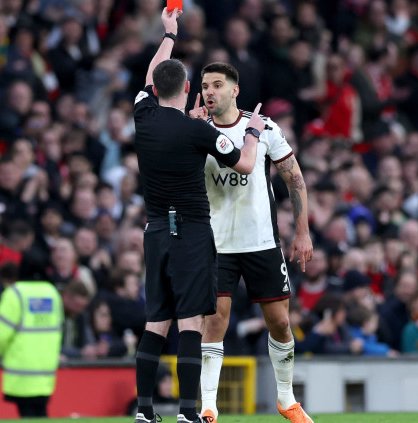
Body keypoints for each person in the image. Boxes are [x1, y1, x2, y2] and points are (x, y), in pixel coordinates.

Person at [132, 9, 261, 423]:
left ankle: (144, 411)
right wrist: (253, 132)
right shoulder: (198, 130)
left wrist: (169, 34)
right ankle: (188, 413)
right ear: (188, 88)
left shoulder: (143, 116)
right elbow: (244, 165)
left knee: (156, 323)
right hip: (189, 232)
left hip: (155, 231)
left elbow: (152, 75)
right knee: (190, 322)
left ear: (155, 89)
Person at [189, 61, 314, 423]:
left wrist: (302, 231)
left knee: (280, 323)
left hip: (261, 241)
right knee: (215, 321)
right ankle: (208, 406)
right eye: (205, 86)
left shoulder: (264, 128)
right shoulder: (195, 131)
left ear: (235, 90)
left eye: (217, 85)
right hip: (216, 243)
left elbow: (295, 179)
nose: (209, 92)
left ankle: (286, 399)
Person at [0, 261, 63, 418]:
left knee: (28, 414)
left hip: (20, 372)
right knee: (41, 413)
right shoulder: (52, 293)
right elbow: (58, 330)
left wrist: (2, 353)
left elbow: (0, 336)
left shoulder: (15, 293)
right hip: (46, 372)